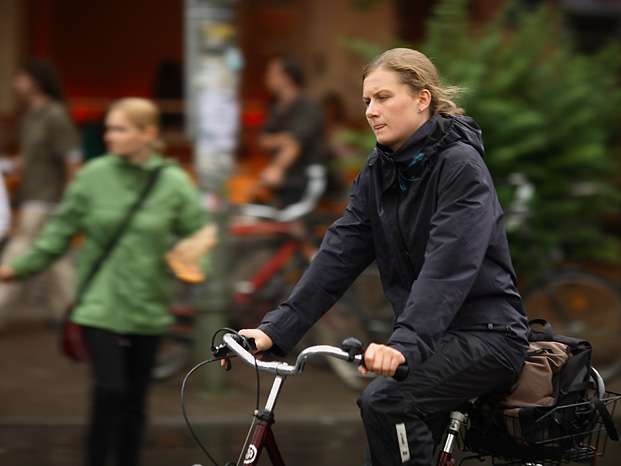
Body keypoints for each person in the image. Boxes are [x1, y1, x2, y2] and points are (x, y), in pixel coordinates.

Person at [238, 48, 530, 465]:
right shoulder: (380, 170)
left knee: (385, 402)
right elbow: (339, 254)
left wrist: (405, 344)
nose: (371, 111)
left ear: (422, 99)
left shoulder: (461, 167)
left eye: (383, 97)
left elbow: (448, 268)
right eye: (367, 102)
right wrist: (275, 330)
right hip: (429, 338)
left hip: (485, 335)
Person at [0, 98, 210, 466]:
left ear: (148, 134)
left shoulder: (173, 182)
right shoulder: (93, 176)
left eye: (120, 129)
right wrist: (17, 268)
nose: (108, 136)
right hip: (98, 304)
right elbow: (58, 232)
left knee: (135, 402)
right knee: (109, 389)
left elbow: (198, 233)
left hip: (148, 304)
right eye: (108, 128)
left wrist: (191, 262)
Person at [0, 60, 81, 330]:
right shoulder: (29, 117)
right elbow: (30, 157)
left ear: (38, 81)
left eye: (22, 77)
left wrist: (70, 196)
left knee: (18, 254)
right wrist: (8, 165)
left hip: (47, 200)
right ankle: (72, 315)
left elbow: (72, 157)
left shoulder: (55, 115)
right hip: (33, 196)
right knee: (55, 260)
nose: (16, 82)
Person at [257, 56, 324, 207]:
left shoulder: (307, 106)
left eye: (272, 73)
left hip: (304, 182)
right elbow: (262, 140)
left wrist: (277, 169)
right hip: (282, 184)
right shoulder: (276, 107)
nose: (267, 78)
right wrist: (279, 139)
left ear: (287, 78)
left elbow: (294, 143)